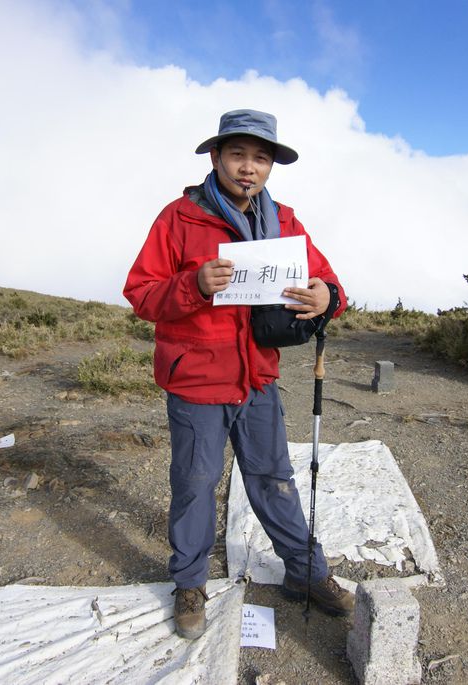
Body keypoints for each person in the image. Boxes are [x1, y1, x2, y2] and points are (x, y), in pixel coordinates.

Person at [123, 109, 352, 640]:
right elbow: (140, 294)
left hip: (258, 379)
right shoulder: (179, 218)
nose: (249, 168)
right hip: (196, 383)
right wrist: (195, 284)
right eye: (238, 155)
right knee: (196, 485)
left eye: (261, 158)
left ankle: (307, 573)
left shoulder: (286, 222)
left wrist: (327, 297)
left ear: (271, 166)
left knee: (275, 482)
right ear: (216, 157)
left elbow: (330, 285)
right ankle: (189, 583)